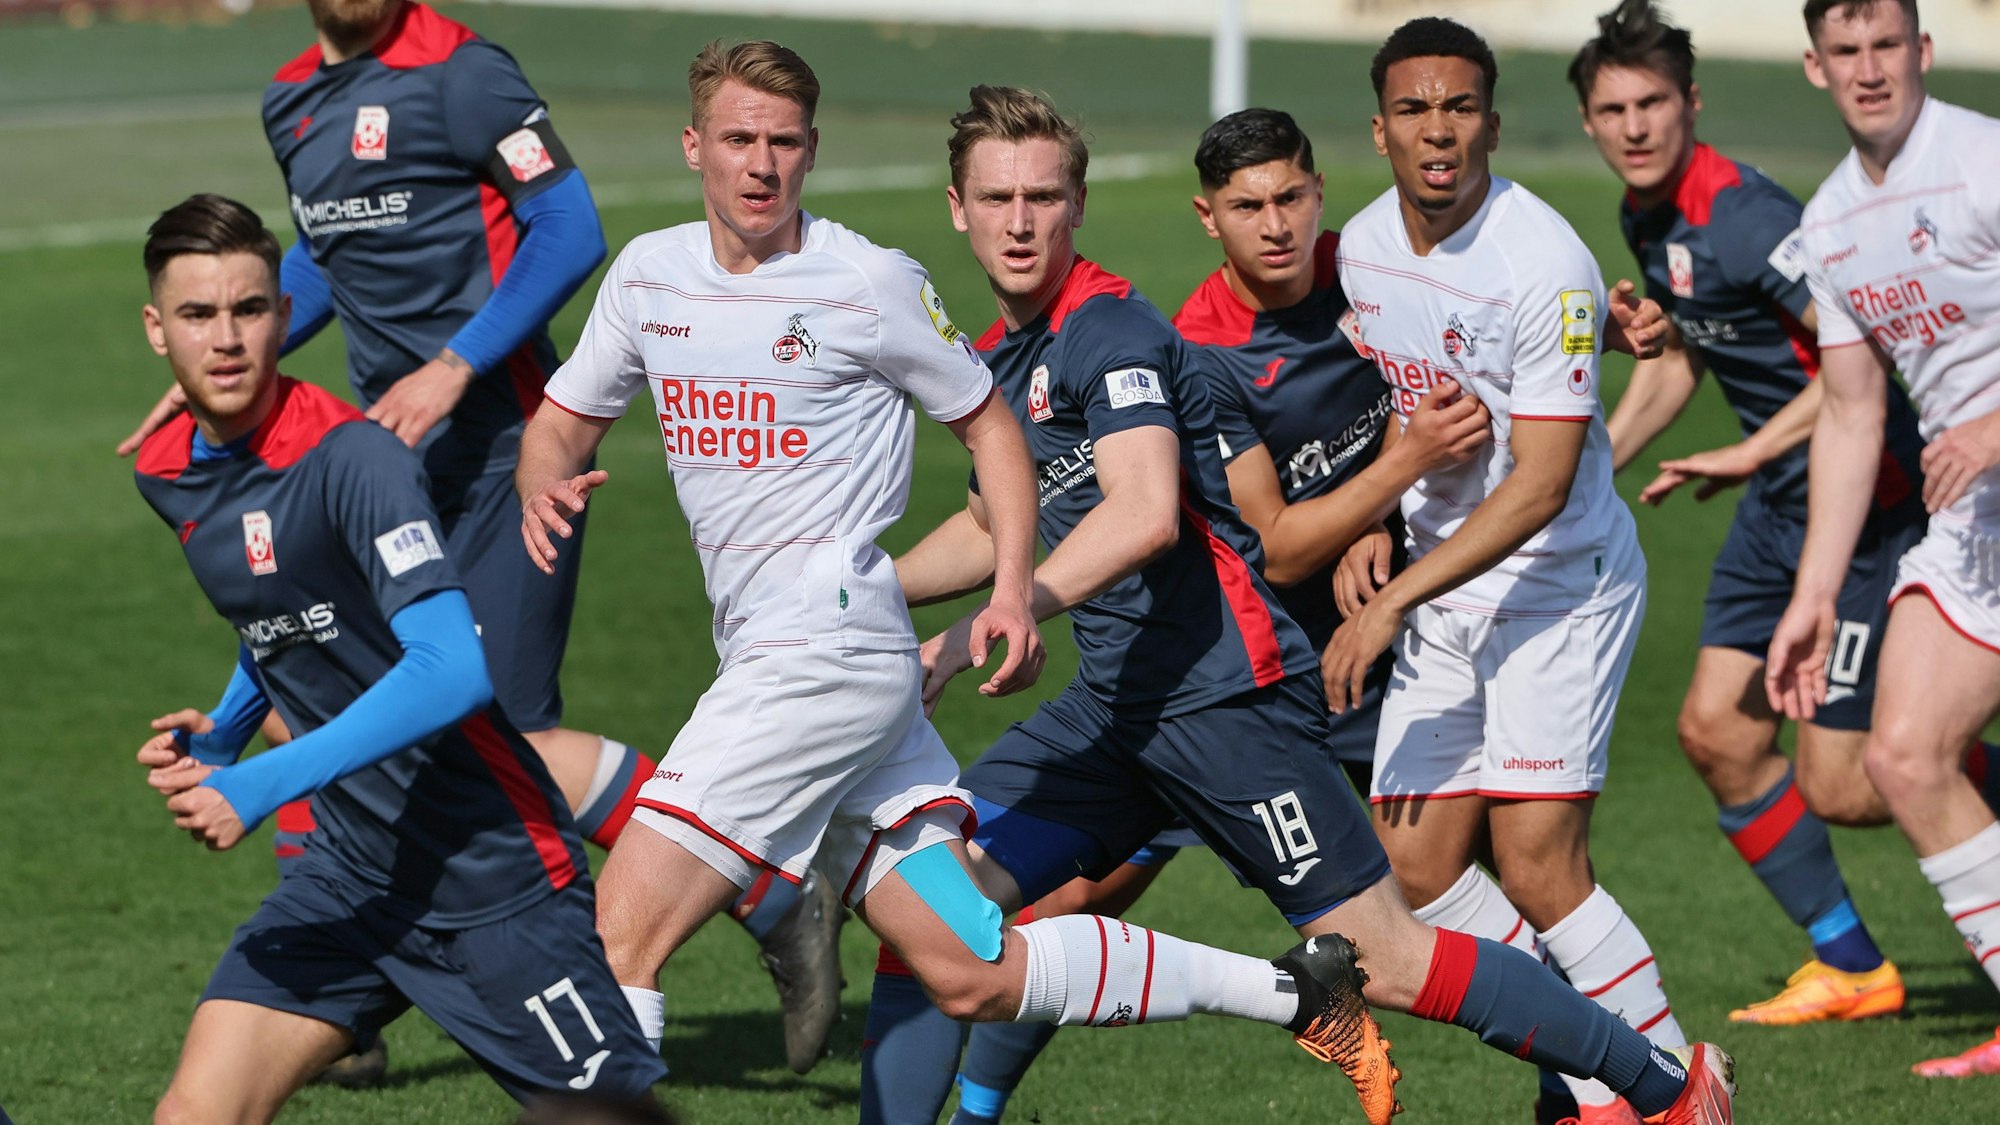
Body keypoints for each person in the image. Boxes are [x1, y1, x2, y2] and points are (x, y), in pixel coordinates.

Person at [515, 40, 1371, 1119]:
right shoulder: (648, 277)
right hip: (807, 660)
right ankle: (1291, 993)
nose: (759, 164)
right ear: (696, 145)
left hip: (818, 656)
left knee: (620, 933)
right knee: (965, 959)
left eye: (783, 143)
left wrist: (1013, 586)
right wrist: (542, 482)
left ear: (812, 152)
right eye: (738, 139)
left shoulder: (868, 281)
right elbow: (558, 421)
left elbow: (994, 430)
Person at [861, 81, 1731, 1125]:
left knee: (1393, 958)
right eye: (995, 199)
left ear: (1076, 206)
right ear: (956, 208)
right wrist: (855, 587)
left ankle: (1668, 1094)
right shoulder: (1010, 359)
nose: (1017, 221)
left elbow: (1142, 514)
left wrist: (981, 625)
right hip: (1118, 708)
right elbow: (991, 523)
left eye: (1041, 196)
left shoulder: (1110, 332)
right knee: (927, 910)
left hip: (1225, 702)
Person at [120, 0, 847, 1075]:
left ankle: (767, 887)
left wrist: (455, 365)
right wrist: (233, 359)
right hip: (385, 459)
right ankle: (348, 983)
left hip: (507, 450)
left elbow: (570, 230)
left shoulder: (465, 73)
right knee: (334, 685)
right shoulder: (290, 100)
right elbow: (324, 264)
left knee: (486, 727)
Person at [940, 106, 1496, 1125]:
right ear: (1207, 217)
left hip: (1309, 661)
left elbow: (1464, 388)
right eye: (1247, 206)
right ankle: (975, 1111)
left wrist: (1393, 506)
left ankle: (1616, 1066)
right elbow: (1277, 539)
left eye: (1290, 198)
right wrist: (1394, 477)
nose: (1273, 225)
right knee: (1060, 901)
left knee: (1438, 894)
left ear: (1319, 193)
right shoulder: (1190, 344)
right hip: (1200, 668)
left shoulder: (1370, 280)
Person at [129, 193, 665, 1123]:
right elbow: (283, 611)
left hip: (491, 881)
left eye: (250, 310)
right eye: (198, 314)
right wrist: (225, 733)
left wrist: (261, 783)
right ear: (155, 329)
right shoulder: (170, 469)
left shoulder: (356, 461)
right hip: (345, 878)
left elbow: (452, 668)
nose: (226, 339)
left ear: (286, 316)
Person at [1324, 17, 1718, 1123]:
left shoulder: (1541, 260)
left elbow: (1539, 484)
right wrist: (1375, 515)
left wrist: (1391, 596)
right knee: (1408, 868)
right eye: (1413, 110)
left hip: (1556, 582)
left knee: (1538, 862)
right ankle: (1592, 1062)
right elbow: (1401, 389)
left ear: (1490, 123)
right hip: (1445, 586)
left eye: (1457, 108)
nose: (1435, 131)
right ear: (1380, 129)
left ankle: (1674, 1092)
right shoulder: (1360, 246)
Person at [1574, 0, 1954, 1029]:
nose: (1635, 126)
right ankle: (1851, 966)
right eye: (1612, 108)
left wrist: (1746, 447)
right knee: (1714, 733)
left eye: (1652, 102)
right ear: (1587, 124)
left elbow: (1858, 361)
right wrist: (1578, 476)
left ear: (1689, 103)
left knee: (1848, 778)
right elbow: (1681, 361)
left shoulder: (1746, 216)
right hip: (1770, 510)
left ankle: (1954, 784)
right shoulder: (1644, 217)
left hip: (1866, 505)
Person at [1768, 0, 2000, 1079]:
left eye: (1884, 45)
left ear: (1922, 50)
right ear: (1815, 68)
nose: (1868, 69)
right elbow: (1853, 416)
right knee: (1900, 757)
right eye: (1844, 51)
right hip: (1971, 523)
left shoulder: (1980, 160)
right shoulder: (1826, 224)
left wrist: (1992, 424)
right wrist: (1813, 594)